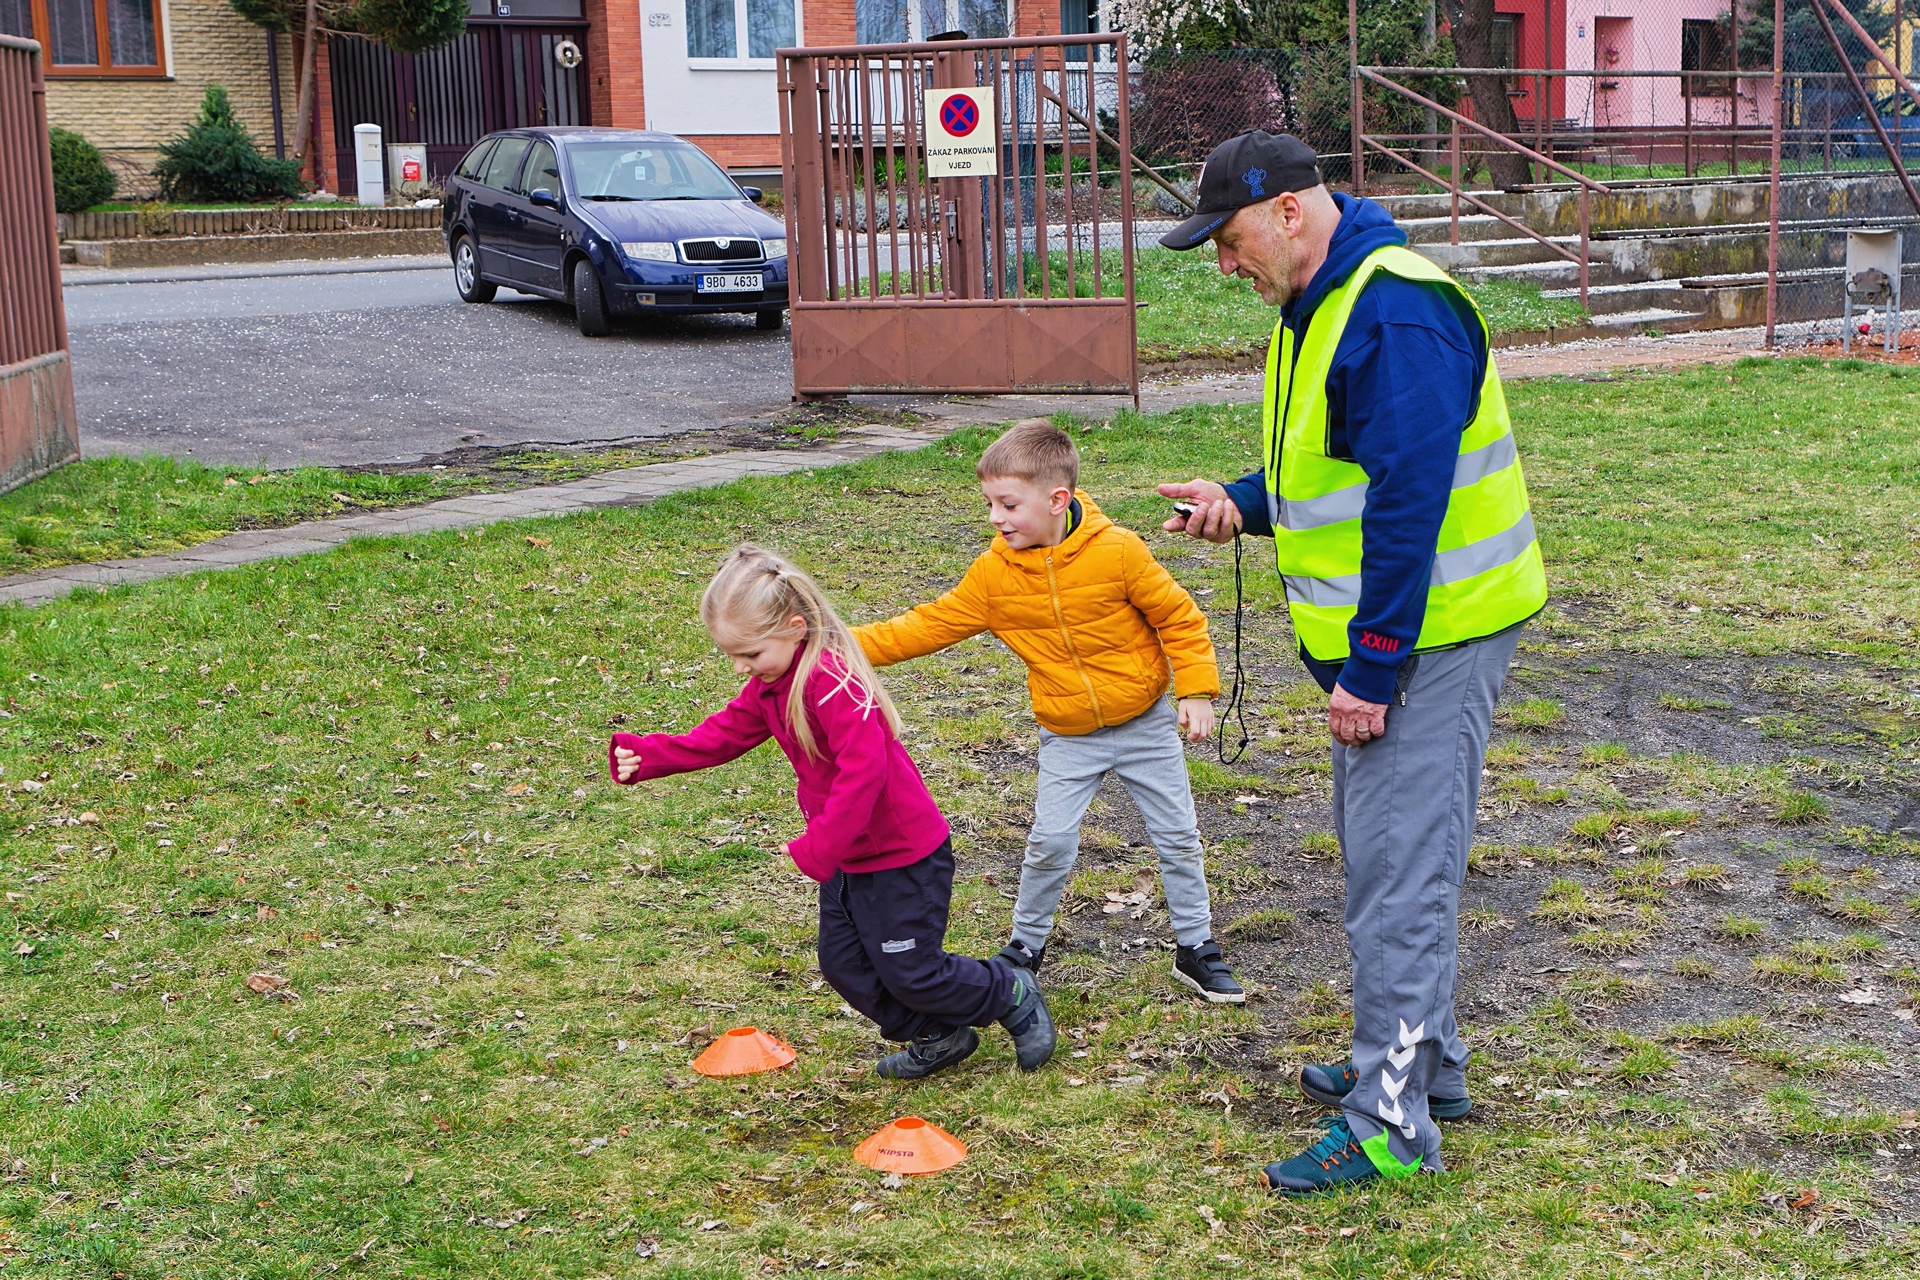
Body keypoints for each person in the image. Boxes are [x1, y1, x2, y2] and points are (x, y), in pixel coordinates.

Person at [1156, 133, 1548, 1193]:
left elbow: (1409, 507)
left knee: (1396, 882)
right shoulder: (1323, 299)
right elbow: (1338, 465)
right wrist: (1242, 501)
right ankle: (1427, 1068)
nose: (1225, 266)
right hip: (1409, 634)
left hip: (1431, 638)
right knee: (1390, 865)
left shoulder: (1394, 310)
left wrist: (1371, 672)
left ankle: (1389, 1122)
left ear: (1288, 211)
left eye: (1229, 241)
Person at [608, 545, 1056, 1079]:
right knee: (845, 965)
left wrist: (819, 845)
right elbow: (724, 734)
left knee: (912, 970)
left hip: (901, 855)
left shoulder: (832, 682)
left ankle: (1008, 989)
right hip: (848, 854)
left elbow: (863, 773)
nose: (741, 667)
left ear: (794, 628)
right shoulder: (772, 684)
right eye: (733, 655)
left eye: (750, 653)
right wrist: (651, 755)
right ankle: (937, 1032)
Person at [853, 419, 1246, 1004]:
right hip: (1069, 734)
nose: (996, 517)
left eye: (1009, 504)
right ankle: (1024, 948)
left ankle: (1196, 947)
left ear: (1058, 500)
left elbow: (1179, 618)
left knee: (1177, 836)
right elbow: (922, 626)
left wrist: (1195, 691)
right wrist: (828, 644)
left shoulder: (1118, 552)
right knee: (1050, 841)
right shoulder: (994, 576)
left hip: (1146, 723)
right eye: (990, 504)